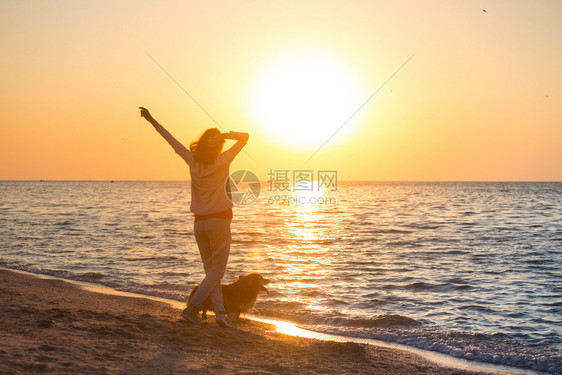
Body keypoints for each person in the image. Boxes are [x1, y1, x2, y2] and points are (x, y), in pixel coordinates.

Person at [139, 107, 249, 328]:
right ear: (218, 144)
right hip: (219, 221)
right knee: (217, 271)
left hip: (200, 224)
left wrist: (152, 120)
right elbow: (245, 137)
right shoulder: (223, 160)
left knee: (211, 272)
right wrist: (226, 135)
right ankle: (192, 308)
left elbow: (171, 140)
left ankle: (220, 313)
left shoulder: (191, 159)